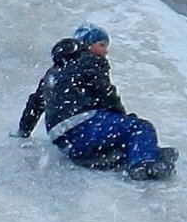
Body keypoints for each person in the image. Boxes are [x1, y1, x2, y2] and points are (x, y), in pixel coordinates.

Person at [14, 26, 177, 180]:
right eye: (102, 45)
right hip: (84, 128)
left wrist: (23, 131)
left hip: (65, 142)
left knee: (116, 141)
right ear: (87, 45)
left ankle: (136, 154)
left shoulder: (53, 72)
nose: (105, 51)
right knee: (139, 127)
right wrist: (122, 117)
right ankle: (144, 164)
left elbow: (35, 104)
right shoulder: (90, 60)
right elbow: (106, 93)